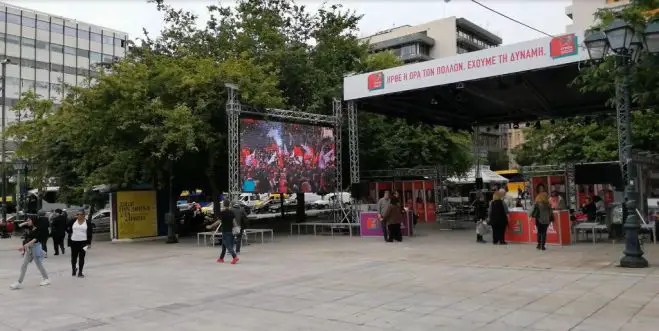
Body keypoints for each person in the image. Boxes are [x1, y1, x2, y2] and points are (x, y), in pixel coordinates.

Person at [10, 218, 50, 289]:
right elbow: (19, 226)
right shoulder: (30, 227)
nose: (27, 222)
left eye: (29, 220)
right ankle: (19, 282)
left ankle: (46, 279)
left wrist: (24, 246)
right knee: (24, 265)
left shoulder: (38, 229)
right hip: (29, 248)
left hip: (35, 248)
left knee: (39, 264)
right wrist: (26, 223)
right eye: (27, 220)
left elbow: (35, 239)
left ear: (33, 221)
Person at [67, 210, 94, 278]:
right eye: (78, 214)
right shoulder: (73, 221)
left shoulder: (87, 223)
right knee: (74, 257)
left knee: (82, 257)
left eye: (81, 214)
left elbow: (90, 233)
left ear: (84, 215)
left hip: (84, 242)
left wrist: (89, 243)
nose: (79, 216)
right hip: (74, 242)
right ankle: (74, 269)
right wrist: (70, 232)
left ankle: (80, 272)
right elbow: (66, 226)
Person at [217, 200, 239, 264]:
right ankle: (221, 258)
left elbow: (219, 221)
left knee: (228, 245)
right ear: (229, 205)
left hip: (225, 231)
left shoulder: (222, 212)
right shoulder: (231, 212)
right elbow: (234, 221)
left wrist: (210, 226)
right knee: (224, 245)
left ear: (223, 205)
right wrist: (237, 228)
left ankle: (235, 257)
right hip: (230, 231)